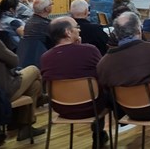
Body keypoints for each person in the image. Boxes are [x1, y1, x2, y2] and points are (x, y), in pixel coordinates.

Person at [97, 12, 150, 135]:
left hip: (127, 110)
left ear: (116, 34)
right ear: (139, 29)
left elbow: (106, 91)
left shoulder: (104, 63)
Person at [40, 16, 108, 148]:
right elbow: (102, 73)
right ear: (68, 32)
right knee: (106, 91)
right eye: (77, 27)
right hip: (92, 107)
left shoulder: (45, 57)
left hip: (61, 108)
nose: (79, 30)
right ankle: (98, 135)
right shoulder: (90, 50)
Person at [0, 11, 45, 141]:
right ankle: (25, 121)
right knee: (34, 69)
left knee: (34, 85)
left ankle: (23, 127)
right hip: (1, 92)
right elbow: (14, 61)